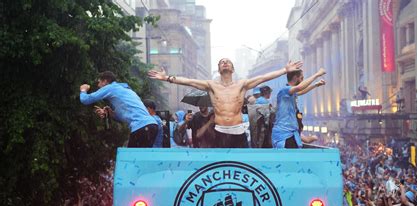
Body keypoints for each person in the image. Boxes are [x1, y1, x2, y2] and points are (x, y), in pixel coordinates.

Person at [148, 59, 303, 148]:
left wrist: (284, 70)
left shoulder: (242, 84)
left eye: (228, 62)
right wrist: (166, 77)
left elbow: (264, 78)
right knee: (220, 167)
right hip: (219, 132)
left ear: (233, 68)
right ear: (219, 69)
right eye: (222, 62)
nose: (225, 63)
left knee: (241, 167)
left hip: (238, 132)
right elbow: (188, 81)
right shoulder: (211, 85)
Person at [79, 71, 158, 148]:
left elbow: (86, 100)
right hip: (152, 126)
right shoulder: (125, 89)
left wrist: (83, 90)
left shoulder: (110, 88)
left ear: (105, 81)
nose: (98, 85)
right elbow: (124, 117)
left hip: (141, 127)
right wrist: (111, 113)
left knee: (132, 159)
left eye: (99, 82)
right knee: (141, 158)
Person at [271, 68, 326, 148]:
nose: (303, 80)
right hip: (284, 135)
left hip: (290, 133)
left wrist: (315, 85)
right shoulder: (284, 90)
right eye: (301, 78)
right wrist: (317, 74)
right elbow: (300, 88)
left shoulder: (291, 93)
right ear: (295, 78)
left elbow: (301, 91)